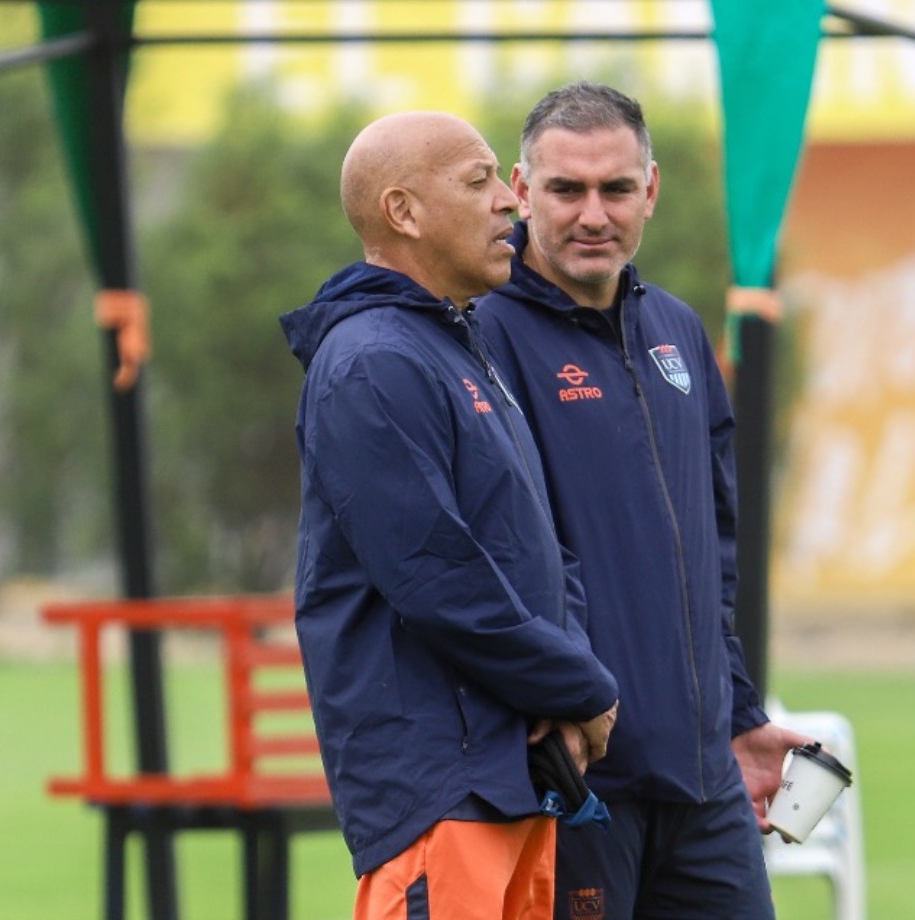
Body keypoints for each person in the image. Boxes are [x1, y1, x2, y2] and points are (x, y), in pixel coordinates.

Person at [475, 82, 815, 919]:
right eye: (566, 190)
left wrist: (737, 716)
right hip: (576, 788)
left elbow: (716, 557)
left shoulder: (678, 332)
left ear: (651, 191)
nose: (594, 214)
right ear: (522, 192)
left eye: (616, 189)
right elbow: (497, 562)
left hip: (705, 789)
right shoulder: (482, 334)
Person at [279, 111, 620, 920]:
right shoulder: (371, 362)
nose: (512, 201)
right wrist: (581, 686)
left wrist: (569, 698)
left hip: (515, 780)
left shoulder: (460, 345)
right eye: (479, 182)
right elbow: (438, 579)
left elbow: (541, 544)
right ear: (403, 211)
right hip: (439, 793)